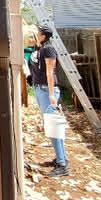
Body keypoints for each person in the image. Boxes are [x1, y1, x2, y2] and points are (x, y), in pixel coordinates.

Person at [30, 25, 69, 177]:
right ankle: (61, 158)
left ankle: (62, 164)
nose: (35, 34)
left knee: (53, 127)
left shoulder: (48, 49)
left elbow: (50, 72)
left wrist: (52, 95)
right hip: (40, 89)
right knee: (51, 126)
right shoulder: (38, 49)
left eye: (37, 32)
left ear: (43, 35)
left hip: (47, 90)